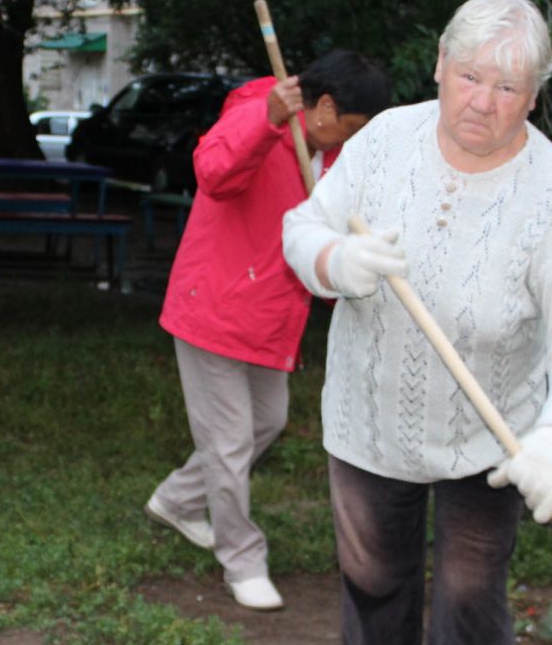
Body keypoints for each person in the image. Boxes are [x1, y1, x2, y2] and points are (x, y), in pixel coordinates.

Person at [282, 0, 552, 645]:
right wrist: (336, 261)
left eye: (508, 87)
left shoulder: (550, 193)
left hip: (490, 439)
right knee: (374, 584)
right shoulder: (383, 141)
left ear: (534, 96)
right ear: (440, 64)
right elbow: (302, 228)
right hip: (369, 421)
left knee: (470, 600)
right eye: (469, 76)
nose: (483, 101)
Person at [145, 51, 394, 611]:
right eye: (351, 130)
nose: (353, 143)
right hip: (212, 303)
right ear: (325, 107)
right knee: (229, 441)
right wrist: (266, 122)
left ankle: (178, 501)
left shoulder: (331, 157)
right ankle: (242, 560)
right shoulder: (257, 113)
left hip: (269, 313)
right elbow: (212, 173)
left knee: (267, 422)